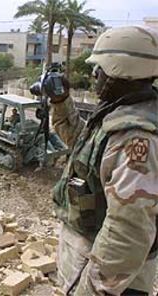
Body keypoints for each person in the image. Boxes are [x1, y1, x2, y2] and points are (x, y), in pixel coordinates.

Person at [48, 26, 158, 295]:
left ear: (120, 69)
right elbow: (82, 147)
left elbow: (128, 232)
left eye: (98, 67)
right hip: (89, 253)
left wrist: (92, 289)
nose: (93, 74)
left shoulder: (136, 135)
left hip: (106, 275)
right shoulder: (121, 110)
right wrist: (61, 101)